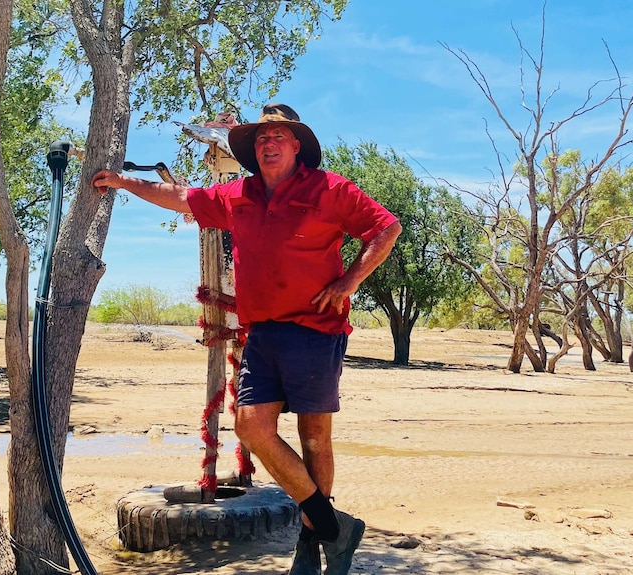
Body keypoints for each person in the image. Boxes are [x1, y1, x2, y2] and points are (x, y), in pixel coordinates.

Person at [92, 103, 401, 575]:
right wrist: (121, 182)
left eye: (279, 136)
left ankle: (309, 545)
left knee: (315, 439)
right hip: (262, 332)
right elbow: (180, 196)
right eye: (260, 139)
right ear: (252, 152)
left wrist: (349, 282)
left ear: (298, 146)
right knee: (250, 427)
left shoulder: (330, 188)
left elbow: (386, 227)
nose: (269, 143)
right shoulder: (238, 194)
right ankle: (334, 528)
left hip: (316, 330)